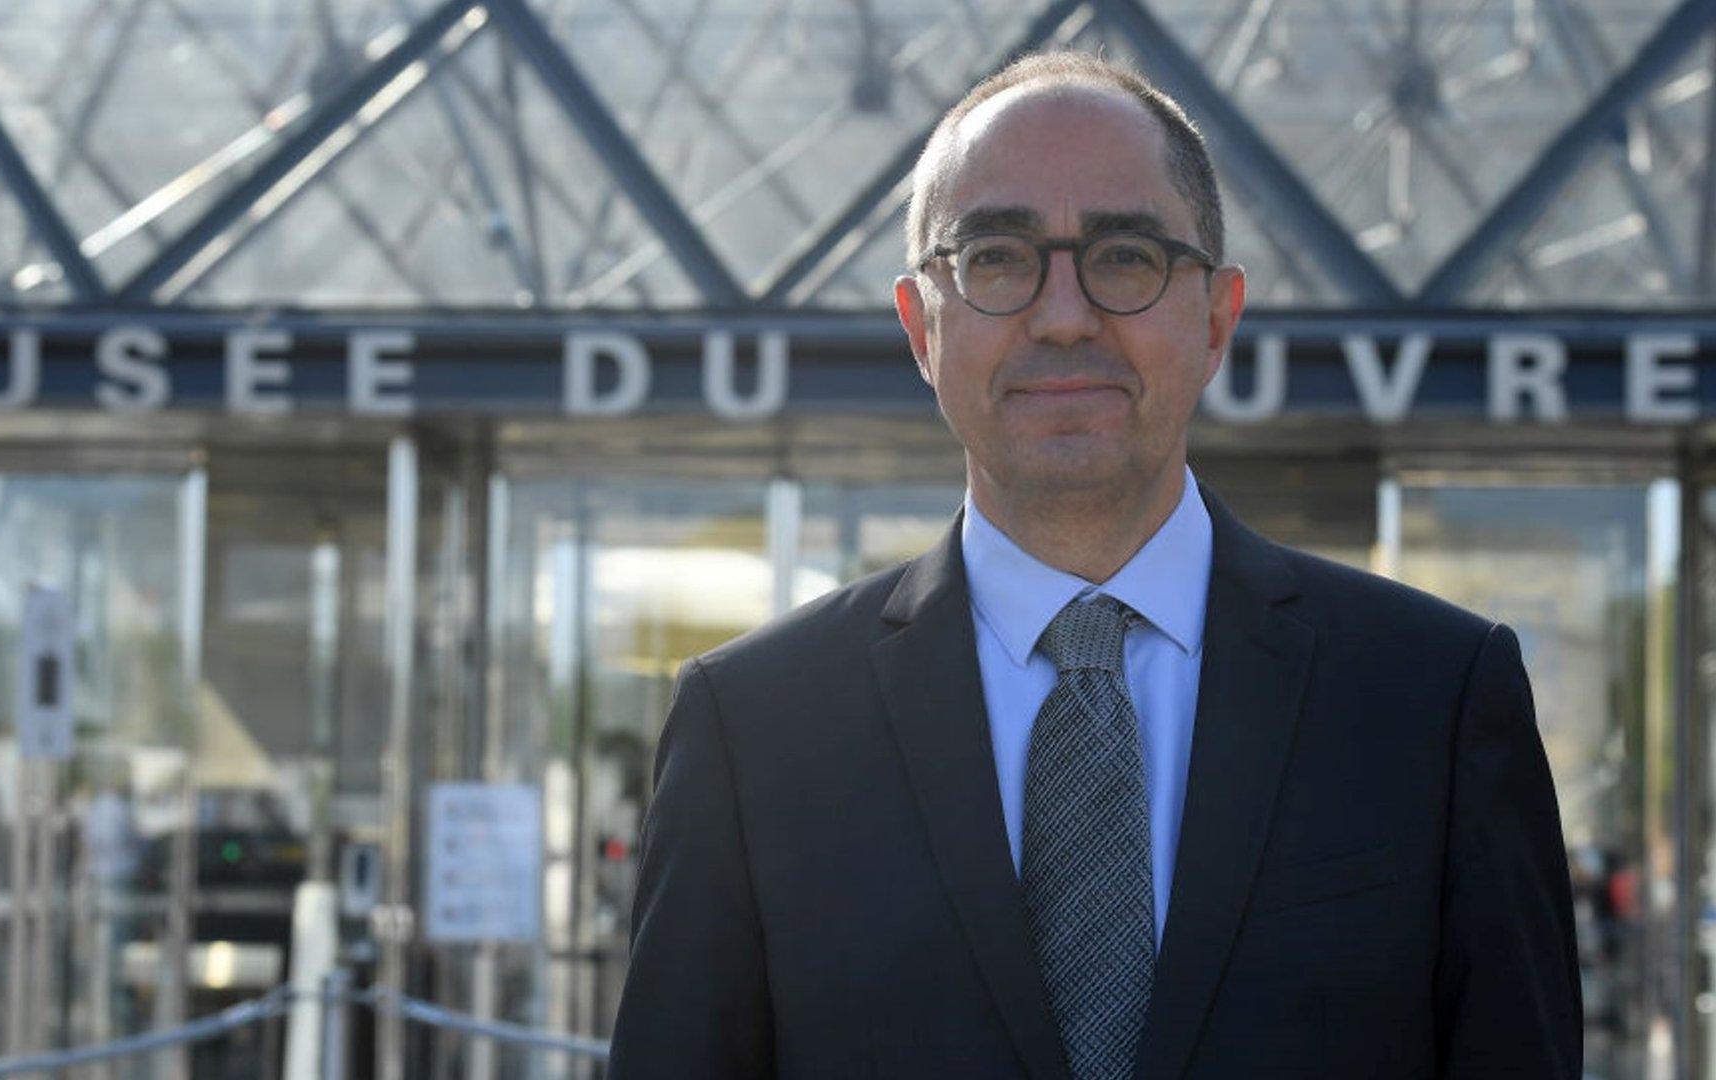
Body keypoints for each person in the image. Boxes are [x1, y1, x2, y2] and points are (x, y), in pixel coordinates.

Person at [607, 50, 1580, 1079]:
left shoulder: (1431, 700)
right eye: (995, 256)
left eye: (1124, 256)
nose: (1063, 315)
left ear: (1216, 318)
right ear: (918, 328)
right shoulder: (753, 728)